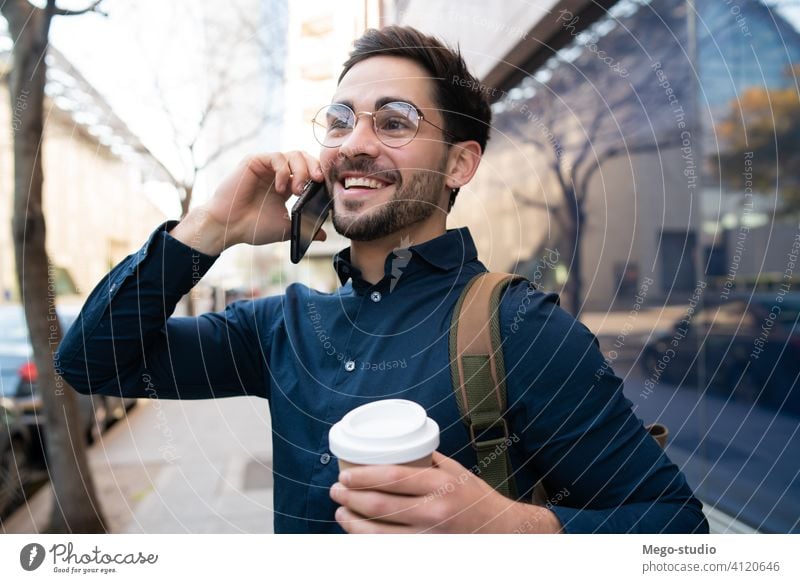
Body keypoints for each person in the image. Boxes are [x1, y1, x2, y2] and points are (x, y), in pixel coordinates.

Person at [58, 26, 708, 534]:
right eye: (340, 120)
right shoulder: (282, 327)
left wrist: (510, 526)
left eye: (393, 121)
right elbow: (92, 363)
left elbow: (676, 529)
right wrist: (208, 226)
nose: (353, 144)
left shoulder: (522, 329)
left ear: (460, 163)